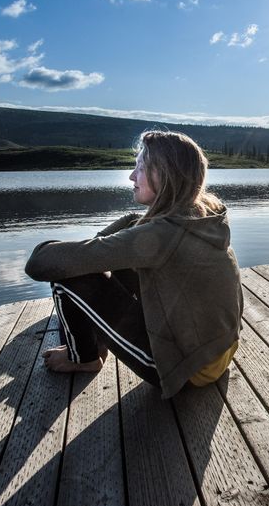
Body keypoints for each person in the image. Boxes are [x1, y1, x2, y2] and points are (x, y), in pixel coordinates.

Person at [25, 130, 242, 398]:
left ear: (164, 174)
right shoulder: (202, 216)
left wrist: (68, 251)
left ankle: (83, 357)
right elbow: (111, 247)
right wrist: (126, 226)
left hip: (186, 370)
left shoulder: (160, 235)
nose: (131, 176)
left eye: (139, 168)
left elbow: (39, 264)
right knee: (111, 259)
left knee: (67, 278)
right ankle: (95, 344)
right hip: (217, 352)